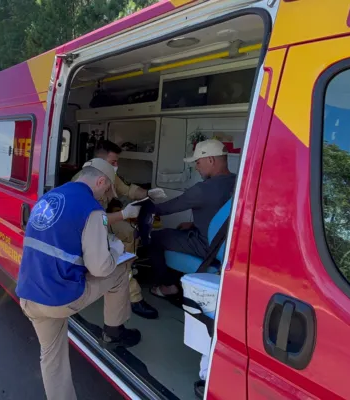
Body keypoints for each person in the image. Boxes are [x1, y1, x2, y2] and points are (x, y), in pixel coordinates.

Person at [17, 158, 143, 400]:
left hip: (29, 293)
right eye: (107, 189)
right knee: (119, 270)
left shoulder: (49, 197)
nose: (105, 195)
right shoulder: (91, 209)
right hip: (60, 299)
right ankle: (113, 333)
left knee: (52, 358)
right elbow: (100, 269)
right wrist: (115, 248)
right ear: (100, 181)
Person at [71, 140, 167, 319]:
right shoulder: (82, 182)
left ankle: (128, 265)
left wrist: (148, 194)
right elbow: (90, 221)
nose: (116, 166)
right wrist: (123, 214)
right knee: (120, 250)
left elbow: (128, 190)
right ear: (100, 160)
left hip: (102, 219)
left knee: (129, 231)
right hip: (87, 227)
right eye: (113, 162)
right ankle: (133, 295)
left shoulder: (109, 175)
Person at [148, 139, 236, 298]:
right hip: (227, 244)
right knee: (180, 229)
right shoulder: (238, 182)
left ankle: (168, 286)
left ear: (210, 160)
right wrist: (194, 224)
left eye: (198, 162)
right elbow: (221, 216)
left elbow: (166, 208)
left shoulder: (203, 190)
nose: (196, 168)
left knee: (155, 238)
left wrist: (139, 211)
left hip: (206, 246)